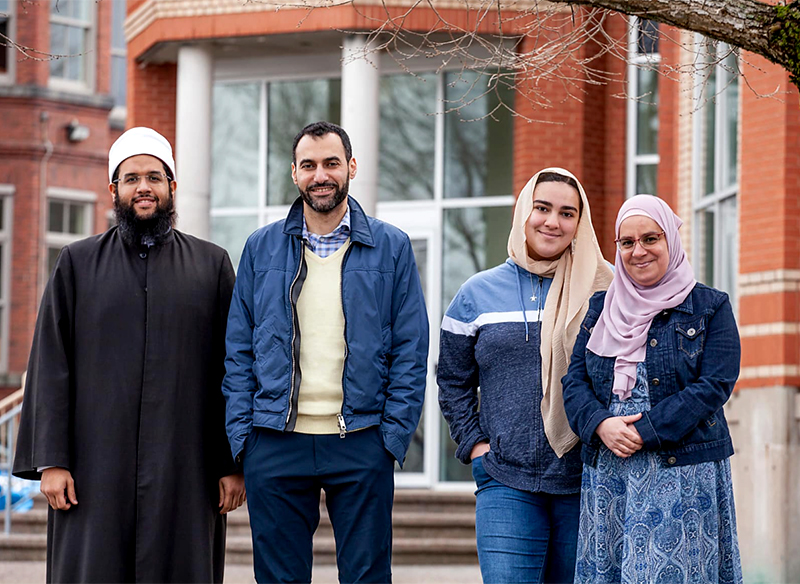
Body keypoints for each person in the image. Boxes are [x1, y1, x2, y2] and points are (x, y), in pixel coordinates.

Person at [13, 127, 246, 584]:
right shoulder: (76, 264)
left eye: (155, 178)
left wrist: (232, 464)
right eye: (132, 178)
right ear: (113, 189)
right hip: (92, 470)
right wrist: (52, 461)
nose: (144, 187)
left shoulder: (212, 265)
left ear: (172, 187)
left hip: (186, 469)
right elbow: (50, 364)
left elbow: (232, 370)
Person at [222, 121, 429, 584]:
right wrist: (244, 440)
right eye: (309, 165)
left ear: (351, 167)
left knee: (366, 577)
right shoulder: (260, 247)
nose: (321, 175)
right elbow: (238, 350)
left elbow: (411, 349)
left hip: (361, 438)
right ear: (294, 173)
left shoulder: (391, 247)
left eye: (331, 163)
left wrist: (390, 437)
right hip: (274, 440)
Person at [438, 168, 613, 583]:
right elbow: (452, 379)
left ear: (579, 223)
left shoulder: (606, 290)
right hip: (505, 480)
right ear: (524, 213)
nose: (553, 221)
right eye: (542, 208)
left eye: (567, 213)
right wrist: (475, 445)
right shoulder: (476, 294)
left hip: (586, 480)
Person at [563, 194, 743, 583]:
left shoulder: (710, 307)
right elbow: (574, 380)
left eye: (650, 238)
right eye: (626, 242)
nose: (637, 251)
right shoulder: (600, 309)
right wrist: (600, 424)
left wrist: (643, 430)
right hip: (611, 467)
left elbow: (715, 384)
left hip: (683, 470)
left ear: (671, 242)